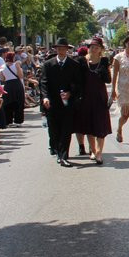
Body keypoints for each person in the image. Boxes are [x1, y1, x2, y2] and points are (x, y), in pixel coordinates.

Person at [40, 37, 83, 166]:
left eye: (63, 48)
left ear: (67, 50)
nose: (61, 51)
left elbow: (79, 84)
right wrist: (45, 97)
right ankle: (57, 150)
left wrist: (70, 92)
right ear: (56, 49)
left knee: (66, 129)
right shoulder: (48, 64)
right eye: (59, 48)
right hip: (52, 102)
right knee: (54, 130)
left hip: (68, 103)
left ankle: (63, 155)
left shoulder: (74, 65)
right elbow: (43, 83)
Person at [74, 38, 112, 165]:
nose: (94, 49)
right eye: (92, 47)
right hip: (85, 97)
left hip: (99, 96)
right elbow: (77, 80)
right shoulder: (81, 61)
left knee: (100, 125)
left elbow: (108, 80)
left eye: (97, 47)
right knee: (89, 125)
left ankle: (99, 152)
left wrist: (104, 71)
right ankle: (94, 150)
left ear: (101, 49)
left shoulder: (104, 61)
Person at [0, 51, 26, 126]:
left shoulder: (2, 66)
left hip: (7, 85)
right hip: (17, 84)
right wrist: (18, 67)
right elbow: (21, 76)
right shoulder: (16, 65)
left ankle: (8, 120)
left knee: (8, 102)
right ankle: (18, 121)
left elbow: (2, 78)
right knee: (18, 102)